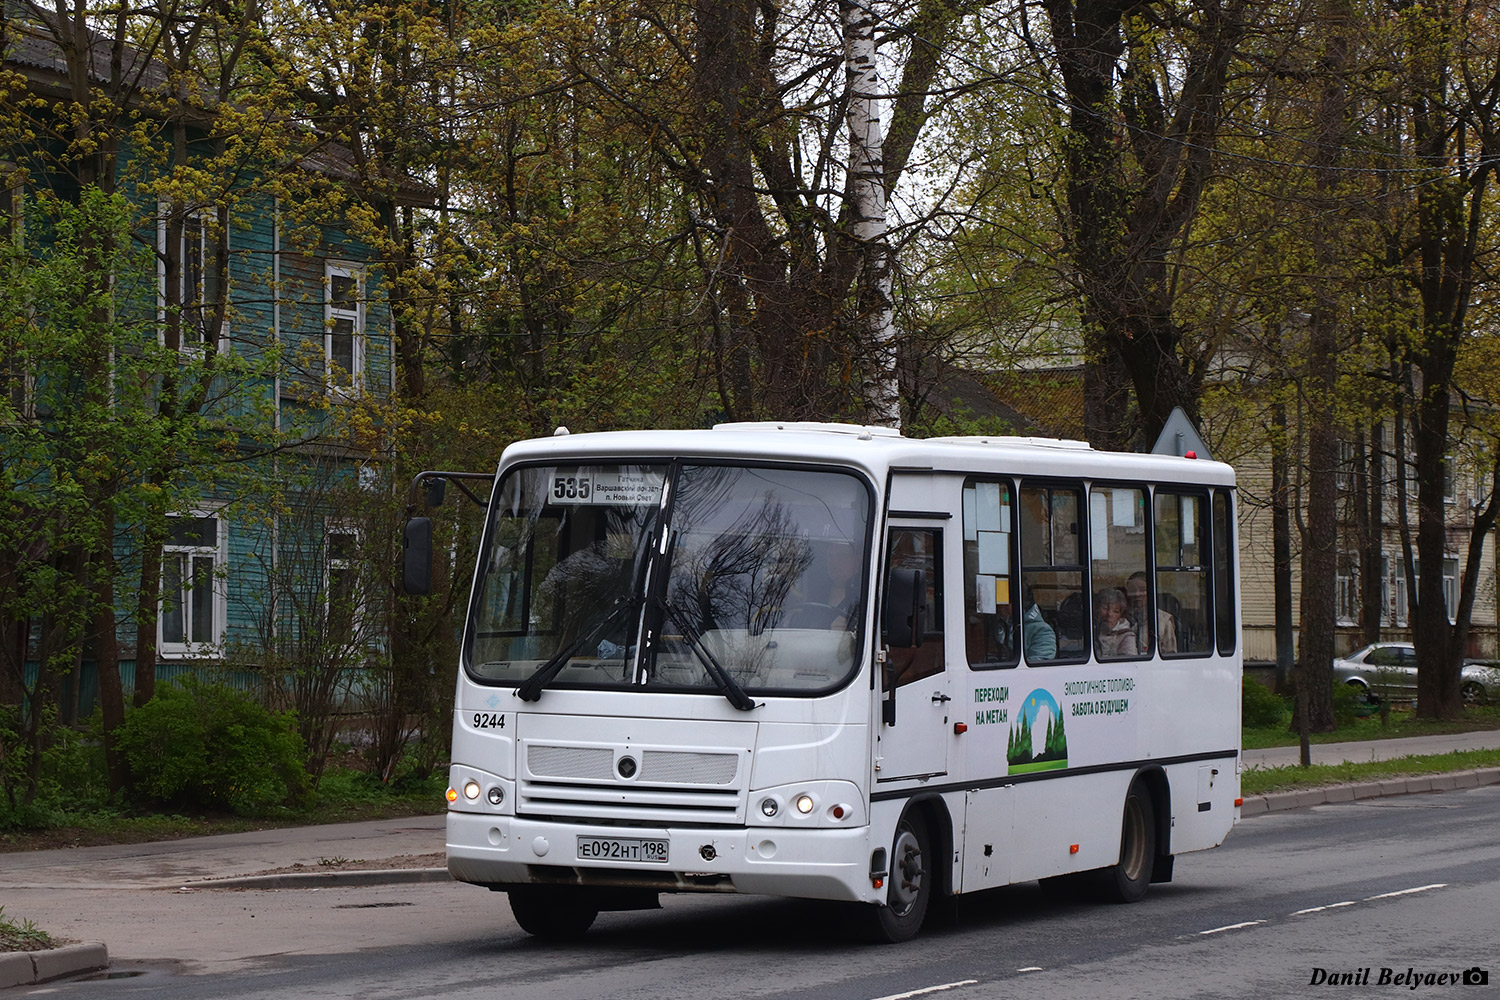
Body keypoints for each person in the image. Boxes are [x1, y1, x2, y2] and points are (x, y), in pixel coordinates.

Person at [1126, 571, 1177, 655]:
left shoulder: (1163, 621)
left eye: (1142, 590)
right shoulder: (1119, 617)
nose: (1137, 594)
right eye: (1132, 590)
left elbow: (1170, 654)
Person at [1095, 588, 1138, 658]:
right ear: (1097, 609)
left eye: (1116, 611)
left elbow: (1129, 663)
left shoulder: (1126, 636)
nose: (1109, 614)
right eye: (1105, 608)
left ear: (1120, 615)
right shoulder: (1091, 631)